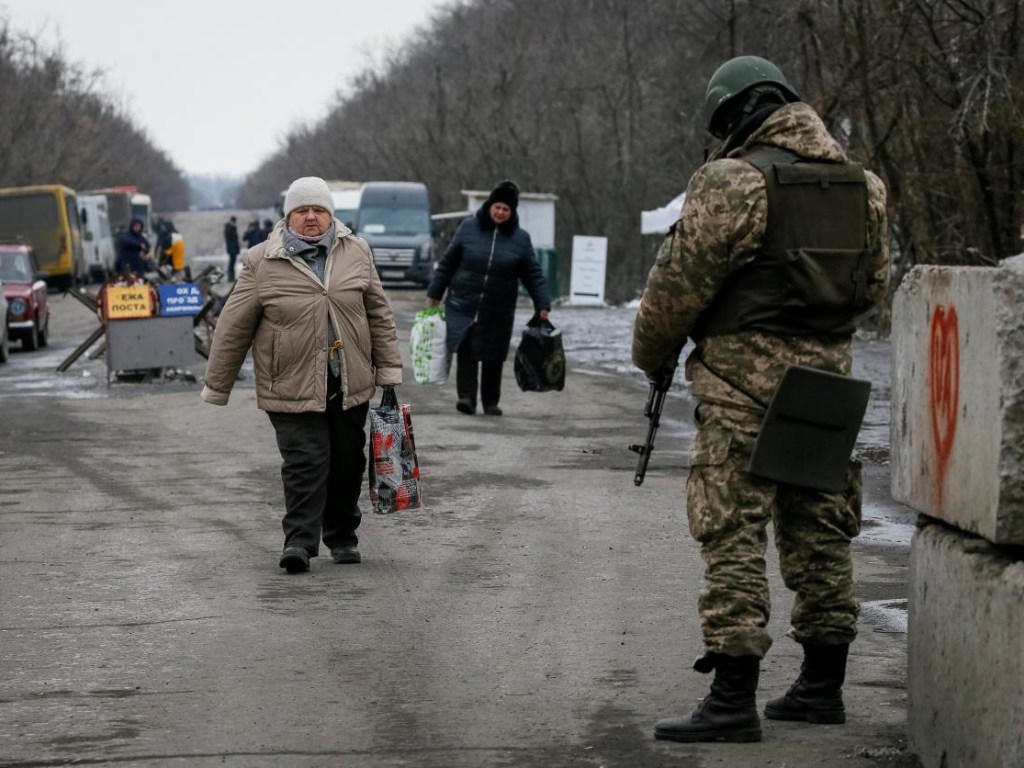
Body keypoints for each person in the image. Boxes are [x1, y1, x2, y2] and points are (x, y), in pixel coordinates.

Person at [631, 56, 889, 743]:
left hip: (742, 387)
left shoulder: (732, 181)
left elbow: (674, 293)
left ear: (737, 115)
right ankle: (820, 687)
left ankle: (731, 699)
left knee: (732, 532)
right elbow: (873, 289)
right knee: (820, 531)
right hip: (828, 384)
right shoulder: (864, 186)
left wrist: (652, 355)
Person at [201, 176, 403, 574]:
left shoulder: (356, 251)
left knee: (347, 461)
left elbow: (378, 313)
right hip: (289, 381)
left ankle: (343, 537)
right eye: (302, 210)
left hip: (348, 382)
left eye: (318, 210)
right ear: (288, 216)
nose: (311, 217)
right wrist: (217, 384)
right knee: (306, 461)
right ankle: (299, 541)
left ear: (331, 215)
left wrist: (390, 368)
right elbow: (233, 325)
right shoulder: (262, 260)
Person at [425, 180, 551, 416]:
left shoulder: (520, 239)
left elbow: (533, 273)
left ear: (512, 212)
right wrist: (435, 291)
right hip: (464, 302)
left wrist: (542, 303)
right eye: (497, 207)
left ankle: (491, 402)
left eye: (506, 209)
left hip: (498, 308)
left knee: (493, 354)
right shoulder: (468, 228)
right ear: (489, 206)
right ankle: (467, 399)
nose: (500, 212)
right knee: (467, 350)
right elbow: (448, 262)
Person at [223, 216, 240, 280]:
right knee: (231, 262)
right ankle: (230, 277)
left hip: (233, 248)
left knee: (233, 262)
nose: (235, 223)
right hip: (231, 248)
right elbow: (231, 239)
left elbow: (235, 240)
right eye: (234, 221)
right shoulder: (229, 228)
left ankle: (231, 277)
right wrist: (233, 228)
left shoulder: (231, 228)